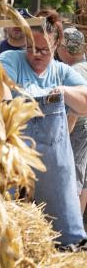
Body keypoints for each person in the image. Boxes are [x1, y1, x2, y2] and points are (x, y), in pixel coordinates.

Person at [0, 9, 87, 248]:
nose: (35, 55)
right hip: (14, 158)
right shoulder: (11, 59)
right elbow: (1, 89)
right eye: (30, 47)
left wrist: (63, 92)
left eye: (43, 50)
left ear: (56, 44)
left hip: (52, 168)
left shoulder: (61, 72)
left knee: (58, 233)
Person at [56, 27, 87, 214]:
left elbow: (75, 111)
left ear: (65, 49)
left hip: (78, 131)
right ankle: (78, 229)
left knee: (72, 179)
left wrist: (62, 137)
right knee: (83, 180)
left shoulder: (73, 72)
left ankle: (71, 230)